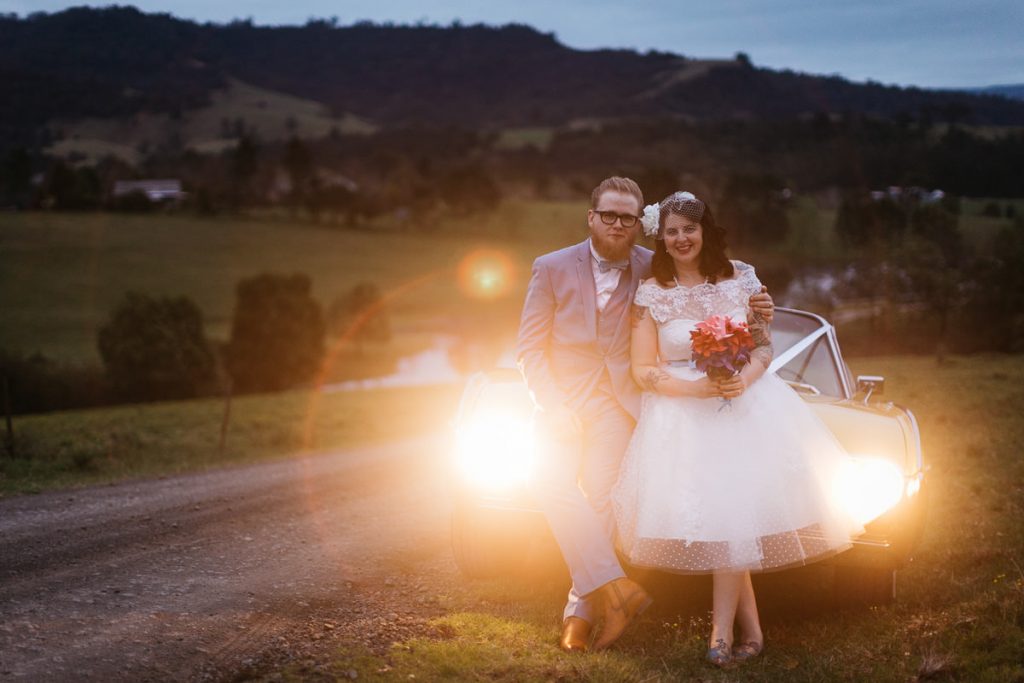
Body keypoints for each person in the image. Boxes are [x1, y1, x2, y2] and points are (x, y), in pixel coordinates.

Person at [515, 178, 774, 653]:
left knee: (599, 500)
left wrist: (760, 302)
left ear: (639, 223)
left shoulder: (653, 265)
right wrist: (552, 405)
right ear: (591, 217)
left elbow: (722, 286)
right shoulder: (549, 267)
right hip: (561, 399)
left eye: (627, 217)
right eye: (608, 215)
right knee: (545, 481)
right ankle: (618, 589)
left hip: (619, 404)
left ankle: (580, 613)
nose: (617, 224)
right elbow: (529, 349)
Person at [611, 191, 863, 667]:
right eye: (671, 231)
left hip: (746, 409)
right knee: (728, 521)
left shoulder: (742, 278)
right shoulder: (651, 293)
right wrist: (695, 390)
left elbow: (763, 348)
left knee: (732, 517)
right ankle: (753, 633)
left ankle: (721, 634)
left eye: (689, 228)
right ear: (661, 238)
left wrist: (742, 380)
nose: (681, 239)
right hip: (682, 416)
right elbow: (642, 369)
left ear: (705, 231)